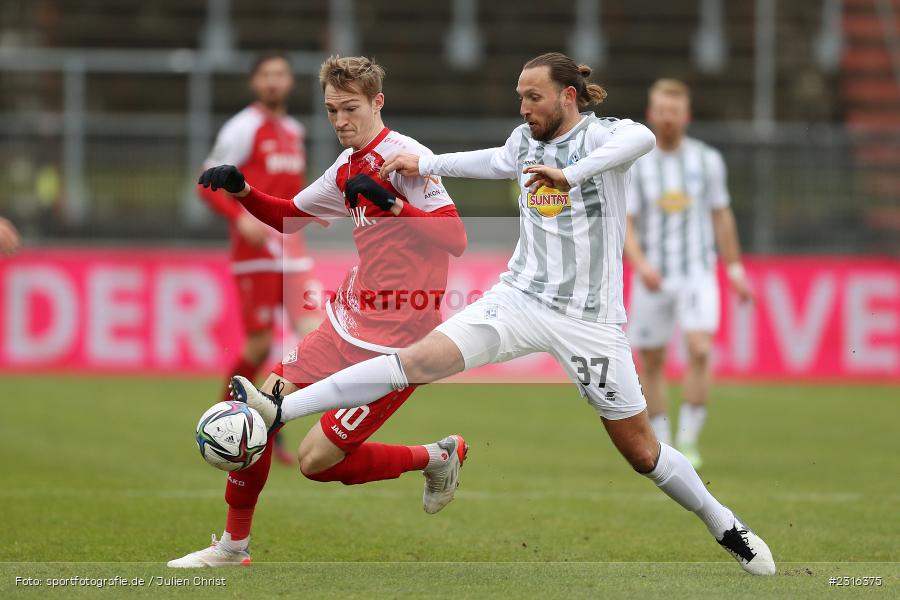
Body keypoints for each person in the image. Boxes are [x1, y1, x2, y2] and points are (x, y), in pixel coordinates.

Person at [239, 53, 776, 576]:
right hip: (518, 299)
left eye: (534, 97)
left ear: (568, 96)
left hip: (590, 322)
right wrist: (425, 163)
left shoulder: (601, 136)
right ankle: (280, 410)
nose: (523, 108)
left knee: (641, 452)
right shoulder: (524, 143)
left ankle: (725, 525)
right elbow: (491, 159)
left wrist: (572, 174)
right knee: (417, 360)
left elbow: (643, 138)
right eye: (520, 97)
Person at [169, 55, 469, 568]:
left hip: (397, 347)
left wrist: (394, 205)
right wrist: (243, 191)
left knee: (314, 462)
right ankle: (233, 547)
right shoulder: (345, 166)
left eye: (350, 108)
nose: (340, 121)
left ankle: (436, 457)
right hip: (343, 323)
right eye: (331, 110)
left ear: (377, 102)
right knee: (255, 417)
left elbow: (456, 239)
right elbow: (289, 217)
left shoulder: (407, 157)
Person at [197, 50, 321, 465]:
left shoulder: (293, 130)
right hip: (255, 252)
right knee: (259, 344)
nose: (273, 81)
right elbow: (206, 181)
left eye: (280, 74)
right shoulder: (244, 126)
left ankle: (270, 425)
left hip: (291, 249)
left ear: (289, 82)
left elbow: (293, 192)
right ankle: (220, 425)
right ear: (255, 82)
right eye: (266, 74)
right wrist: (239, 218)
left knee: (315, 339)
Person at [623, 79, 754, 470]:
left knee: (699, 348)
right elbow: (626, 223)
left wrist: (733, 267)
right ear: (651, 114)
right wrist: (641, 263)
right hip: (654, 275)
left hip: (698, 271)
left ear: (686, 116)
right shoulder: (638, 165)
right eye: (661, 110)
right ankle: (665, 444)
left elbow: (721, 214)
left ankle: (690, 439)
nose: (667, 118)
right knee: (652, 360)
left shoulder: (706, 160)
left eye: (674, 111)